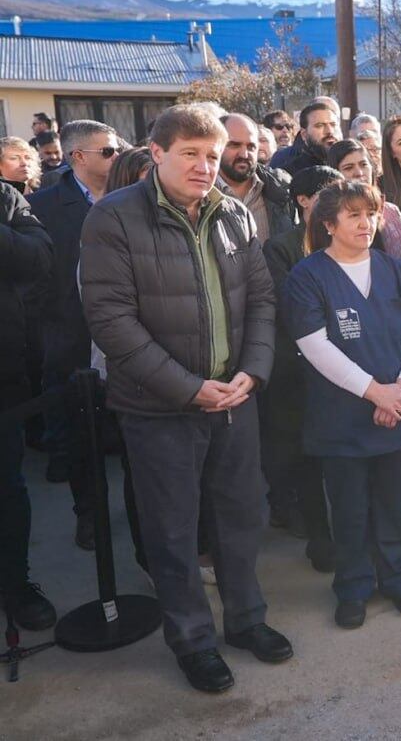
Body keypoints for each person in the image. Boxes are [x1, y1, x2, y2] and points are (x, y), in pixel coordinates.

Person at [79, 105, 291, 693]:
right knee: (173, 532)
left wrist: (253, 371)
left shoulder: (233, 216)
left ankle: (247, 622)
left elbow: (263, 302)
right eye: (191, 154)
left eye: (213, 155)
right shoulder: (113, 220)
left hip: (236, 398)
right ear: (158, 153)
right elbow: (110, 320)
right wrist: (190, 388)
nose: (205, 167)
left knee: (241, 518)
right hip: (160, 408)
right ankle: (194, 641)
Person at [284, 180, 401, 628]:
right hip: (343, 420)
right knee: (348, 509)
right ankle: (353, 586)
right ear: (328, 224)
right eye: (353, 215)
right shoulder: (308, 276)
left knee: (391, 505)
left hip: (397, 413)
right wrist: (376, 392)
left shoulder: (396, 270)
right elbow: (314, 346)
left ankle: (396, 578)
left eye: (370, 213)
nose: (366, 223)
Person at [28, 120, 120, 543]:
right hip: (70, 338)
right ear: (77, 157)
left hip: (128, 338)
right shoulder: (43, 206)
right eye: (107, 151)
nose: (116, 156)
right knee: (81, 438)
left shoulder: (131, 197)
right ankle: (90, 513)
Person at [262, 165, 343, 572]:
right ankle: (320, 538)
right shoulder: (281, 247)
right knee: (307, 459)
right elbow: (289, 306)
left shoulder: (356, 241)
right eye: (327, 193)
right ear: (304, 201)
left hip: (350, 368)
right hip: (299, 369)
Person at [0, 183, 55, 631]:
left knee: (7, 488)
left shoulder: (5, 198)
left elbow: (39, 258)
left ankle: (15, 585)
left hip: (4, 377)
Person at [217, 114, 295, 242]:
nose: (244, 154)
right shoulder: (199, 193)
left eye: (251, 147)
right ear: (216, 146)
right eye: (234, 145)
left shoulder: (280, 188)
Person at [327, 139, 401, 258]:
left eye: (364, 165)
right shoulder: (331, 215)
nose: (359, 173)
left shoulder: (391, 212)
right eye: (349, 168)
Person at [281, 102, 339, 176]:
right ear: (304, 134)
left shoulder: (351, 164)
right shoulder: (289, 174)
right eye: (320, 125)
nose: (329, 131)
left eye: (333, 125)